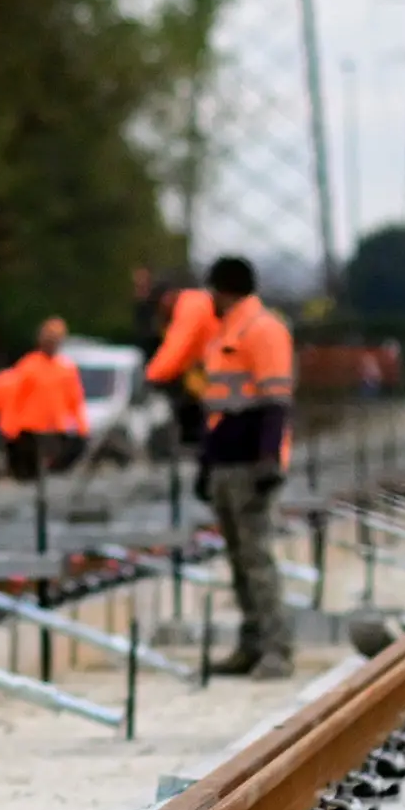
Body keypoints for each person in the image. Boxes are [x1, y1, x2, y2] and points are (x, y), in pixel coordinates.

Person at [144, 254, 295, 676]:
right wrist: (206, 465)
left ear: (223, 290)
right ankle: (251, 645)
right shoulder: (225, 332)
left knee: (256, 558)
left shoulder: (264, 330)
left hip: (251, 464)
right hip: (226, 460)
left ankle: (276, 649)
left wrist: (269, 461)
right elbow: (217, 408)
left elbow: (275, 402)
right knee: (237, 558)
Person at [0, 316, 89, 482]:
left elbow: (75, 401)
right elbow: (14, 397)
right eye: (49, 337)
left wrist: (82, 430)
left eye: (56, 338)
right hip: (28, 431)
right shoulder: (29, 366)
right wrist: (9, 428)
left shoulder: (66, 369)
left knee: (57, 463)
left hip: (55, 430)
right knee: (27, 470)